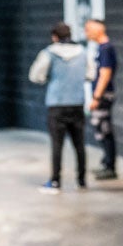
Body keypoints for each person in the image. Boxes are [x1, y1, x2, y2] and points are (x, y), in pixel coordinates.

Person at [28, 22, 87, 193]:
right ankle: (81, 180)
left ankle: (55, 181)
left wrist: (50, 79)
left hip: (57, 104)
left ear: (54, 36)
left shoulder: (48, 53)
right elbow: (90, 74)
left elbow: (35, 75)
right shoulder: (82, 52)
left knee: (57, 144)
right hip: (77, 102)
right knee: (79, 144)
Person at [84, 18, 118, 180]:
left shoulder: (105, 49)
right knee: (101, 130)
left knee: (104, 129)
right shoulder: (102, 48)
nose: (87, 33)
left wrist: (97, 96)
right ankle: (106, 162)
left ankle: (110, 166)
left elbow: (105, 74)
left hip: (103, 96)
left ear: (98, 29)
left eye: (89, 29)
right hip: (102, 95)